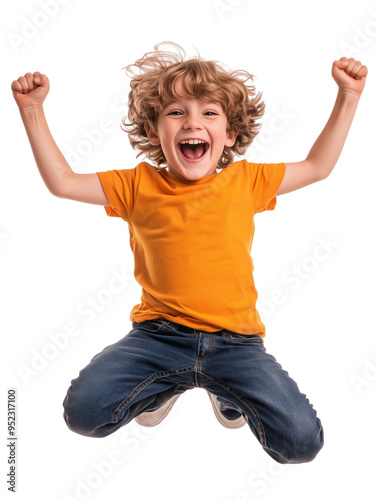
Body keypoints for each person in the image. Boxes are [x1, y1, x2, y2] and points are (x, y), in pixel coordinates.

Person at [11, 42, 367, 464]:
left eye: (209, 113)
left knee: (301, 445)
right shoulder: (136, 186)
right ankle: (162, 386)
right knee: (85, 415)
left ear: (230, 134)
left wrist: (348, 96)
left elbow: (318, 166)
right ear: (153, 132)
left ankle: (228, 394)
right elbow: (63, 182)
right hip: (157, 338)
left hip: (236, 344)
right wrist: (32, 111)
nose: (191, 122)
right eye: (176, 112)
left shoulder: (246, 181)